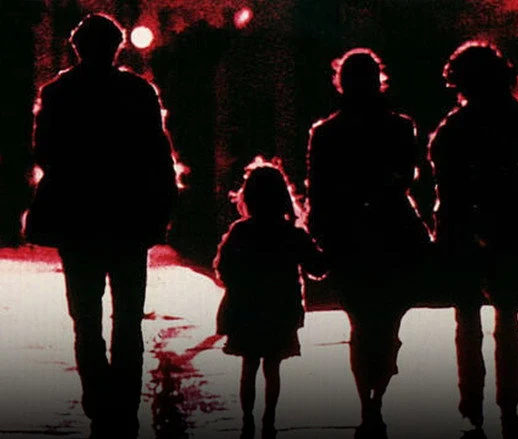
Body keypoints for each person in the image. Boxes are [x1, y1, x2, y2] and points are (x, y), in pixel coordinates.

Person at [26, 13, 178, 438]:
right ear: (117, 47)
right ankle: (124, 405)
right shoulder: (138, 92)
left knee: (85, 317)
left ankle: (97, 398)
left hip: (78, 219)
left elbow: (44, 153)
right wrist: (162, 205)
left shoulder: (57, 93)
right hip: (129, 218)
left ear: (76, 47)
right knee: (128, 318)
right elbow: (158, 154)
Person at [428, 41, 518, 437]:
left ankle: (471, 405)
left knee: (467, 320)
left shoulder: (453, 129)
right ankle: (508, 406)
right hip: (516, 233)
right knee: (507, 318)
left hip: (465, 235)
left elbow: (446, 190)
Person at [305, 48, 431, 438]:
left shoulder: (325, 133)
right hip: (392, 231)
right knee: (387, 319)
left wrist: (319, 235)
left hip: (347, 235)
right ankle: (378, 386)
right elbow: (407, 176)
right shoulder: (401, 127)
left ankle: (368, 402)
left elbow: (318, 190)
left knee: (360, 323)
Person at [214, 157, 326, 439]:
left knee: (249, 365)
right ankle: (269, 420)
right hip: (280, 310)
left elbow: (223, 267)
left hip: (246, 310)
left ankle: (247, 420)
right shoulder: (291, 234)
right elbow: (317, 267)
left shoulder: (240, 232)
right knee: (272, 368)